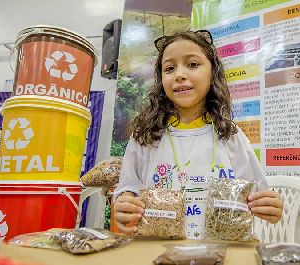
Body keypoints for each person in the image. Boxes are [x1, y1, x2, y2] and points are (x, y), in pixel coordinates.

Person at [114, 30, 283, 239]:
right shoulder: (146, 136)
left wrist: (270, 207)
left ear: (213, 73)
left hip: (219, 251)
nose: (179, 74)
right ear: (161, 80)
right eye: (169, 68)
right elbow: (127, 189)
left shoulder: (231, 135)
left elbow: (259, 195)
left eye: (193, 64)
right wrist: (125, 205)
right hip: (156, 249)